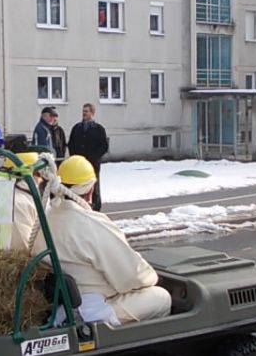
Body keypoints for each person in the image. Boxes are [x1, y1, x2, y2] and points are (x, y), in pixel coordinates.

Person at [31, 155, 171, 323]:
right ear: (90, 191)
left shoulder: (47, 218)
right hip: (89, 310)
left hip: (60, 306)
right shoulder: (92, 225)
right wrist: (151, 278)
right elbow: (132, 277)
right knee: (161, 297)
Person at [68, 103, 109, 211]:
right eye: (83, 111)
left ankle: (95, 207)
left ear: (92, 113)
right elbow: (71, 144)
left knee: (93, 187)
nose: (84, 113)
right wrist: (75, 157)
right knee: (79, 187)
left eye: (86, 111)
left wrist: (93, 157)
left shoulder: (99, 129)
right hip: (79, 165)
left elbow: (104, 146)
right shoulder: (77, 128)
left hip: (92, 164)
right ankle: (80, 206)